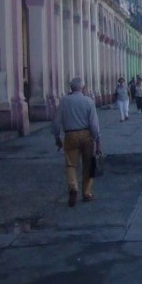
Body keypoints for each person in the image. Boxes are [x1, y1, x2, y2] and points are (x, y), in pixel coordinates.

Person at [52, 77, 101, 207]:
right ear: (83, 88)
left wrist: (57, 136)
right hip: (86, 134)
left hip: (70, 134)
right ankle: (87, 193)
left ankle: (73, 187)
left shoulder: (64, 101)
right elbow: (94, 123)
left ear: (71, 88)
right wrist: (97, 140)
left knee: (70, 164)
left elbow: (56, 121)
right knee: (88, 164)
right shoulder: (88, 101)